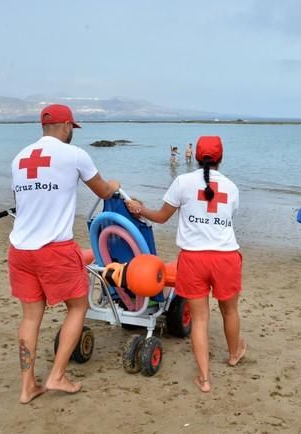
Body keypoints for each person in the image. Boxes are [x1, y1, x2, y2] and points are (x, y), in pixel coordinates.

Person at [8, 104, 119, 404]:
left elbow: (23, 200)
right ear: (67, 126)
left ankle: (27, 386)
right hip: (54, 250)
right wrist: (115, 186)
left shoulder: (20, 159)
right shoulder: (74, 155)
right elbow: (104, 192)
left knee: (31, 317)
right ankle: (57, 374)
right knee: (77, 307)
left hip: (20, 250)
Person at [125, 136, 245, 393]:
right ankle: (235, 354)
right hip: (226, 257)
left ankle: (203, 378)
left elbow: (161, 217)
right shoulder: (232, 187)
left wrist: (140, 209)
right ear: (221, 158)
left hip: (193, 258)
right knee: (230, 311)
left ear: (197, 157)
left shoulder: (182, 182)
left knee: (200, 319)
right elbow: (228, 217)